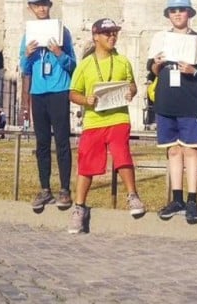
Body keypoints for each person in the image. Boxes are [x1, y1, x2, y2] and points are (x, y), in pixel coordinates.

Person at [67, 18, 145, 233]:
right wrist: (86, 100)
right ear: (96, 37)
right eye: (107, 33)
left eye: (114, 33)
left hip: (118, 117)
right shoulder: (85, 65)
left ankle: (132, 196)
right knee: (87, 163)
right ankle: (79, 208)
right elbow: (73, 93)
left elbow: (132, 85)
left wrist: (131, 92)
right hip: (94, 120)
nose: (112, 36)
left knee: (122, 153)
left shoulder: (123, 61)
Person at [147, 0, 197, 224]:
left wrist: (193, 71)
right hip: (166, 102)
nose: (177, 14)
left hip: (190, 102)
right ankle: (177, 198)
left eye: (182, 10)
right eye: (173, 10)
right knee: (173, 151)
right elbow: (154, 72)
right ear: (168, 15)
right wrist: (157, 63)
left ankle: (193, 199)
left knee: (191, 151)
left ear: (189, 14)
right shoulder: (160, 39)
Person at [20, 0, 77, 212]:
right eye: (37, 5)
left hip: (59, 90)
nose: (42, 8)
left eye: (45, 4)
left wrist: (58, 53)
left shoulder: (63, 32)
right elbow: (24, 69)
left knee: (62, 141)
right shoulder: (28, 36)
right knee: (41, 143)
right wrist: (27, 54)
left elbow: (73, 65)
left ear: (50, 6)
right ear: (31, 9)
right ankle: (45, 189)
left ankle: (64, 189)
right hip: (38, 92)